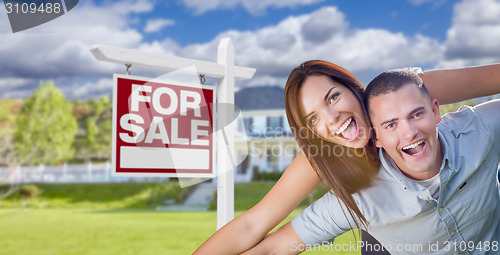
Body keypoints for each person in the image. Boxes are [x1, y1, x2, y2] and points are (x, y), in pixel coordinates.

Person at [194, 61, 500, 254]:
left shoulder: (403, 92)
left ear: (355, 89)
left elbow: (494, 77)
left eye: (333, 97)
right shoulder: (322, 155)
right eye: (313, 119)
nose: (332, 117)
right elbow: (253, 225)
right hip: (382, 225)